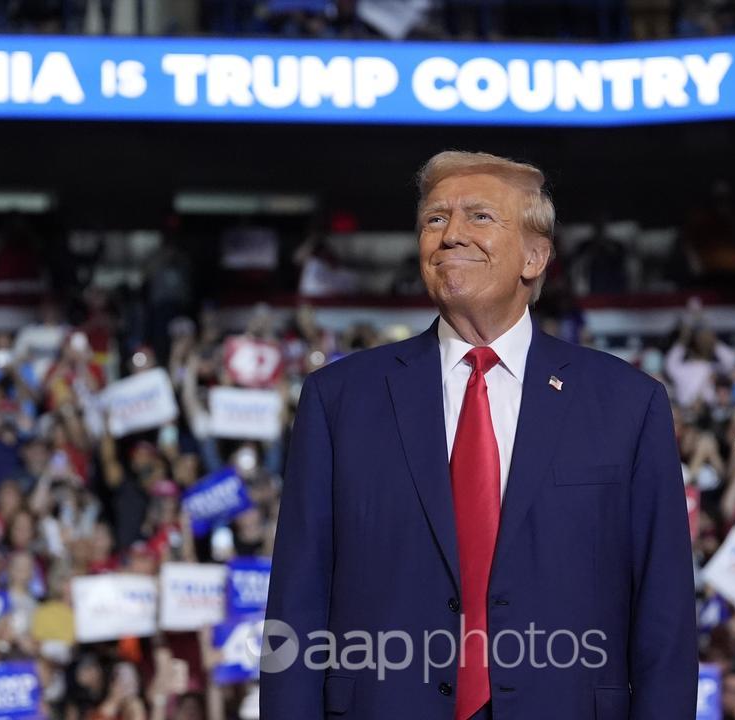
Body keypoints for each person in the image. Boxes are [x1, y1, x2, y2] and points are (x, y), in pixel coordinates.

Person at [261, 151, 696, 719]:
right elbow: (295, 607)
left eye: (480, 217)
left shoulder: (628, 405)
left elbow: (665, 619)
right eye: (435, 219)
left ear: (535, 256)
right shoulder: (338, 400)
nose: (450, 234)